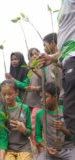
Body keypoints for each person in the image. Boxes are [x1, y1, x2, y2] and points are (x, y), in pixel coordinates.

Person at [37, 1, 75, 142]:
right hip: (67, 59)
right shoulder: (64, 5)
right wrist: (52, 58)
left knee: (70, 111)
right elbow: (66, 45)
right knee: (70, 110)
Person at [34, 82, 75, 160]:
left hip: (67, 149)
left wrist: (63, 129)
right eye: (41, 97)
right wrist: (46, 147)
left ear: (55, 97)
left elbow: (72, 136)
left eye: (46, 97)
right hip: (49, 150)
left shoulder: (66, 111)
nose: (42, 100)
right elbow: (37, 136)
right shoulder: (40, 114)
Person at [0, 79, 32, 160]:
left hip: (23, 147)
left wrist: (24, 130)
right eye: (4, 94)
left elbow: (29, 132)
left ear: (16, 93)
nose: (7, 97)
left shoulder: (24, 108)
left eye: (10, 94)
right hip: (9, 149)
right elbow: (1, 137)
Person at [43, 33, 64, 104]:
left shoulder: (64, 55)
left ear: (52, 43)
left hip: (65, 95)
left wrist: (52, 59)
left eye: (45, 45)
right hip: (54, 97)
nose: (44, 48)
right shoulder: (47, 60)